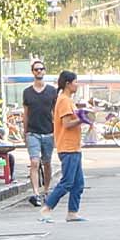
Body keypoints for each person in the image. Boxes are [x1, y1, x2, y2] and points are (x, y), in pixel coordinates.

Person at [39, 71, 87, 222]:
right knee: (67, 182)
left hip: (74, 146)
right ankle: (47, 208)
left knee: (78, 183)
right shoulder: (64, 100)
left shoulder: (68, 100)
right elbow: (66, 124)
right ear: (68, 83)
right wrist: (81, 120)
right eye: (75, 82)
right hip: (68, 147)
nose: (77, 85)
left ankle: (72, 212)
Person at [21, 68, 59, 206]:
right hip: (33, 132)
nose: (39, 71)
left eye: (41, 69)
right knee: (34, 162)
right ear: (33, 72)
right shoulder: (27, 92)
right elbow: (25, 113)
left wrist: (57, 130)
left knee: (47, 163)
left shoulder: (51, 91)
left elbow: (55, 112)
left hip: (48, 132)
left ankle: (46, 190)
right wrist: (25, 132)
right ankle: (36, 193)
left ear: (45, 71)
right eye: (36, 69)